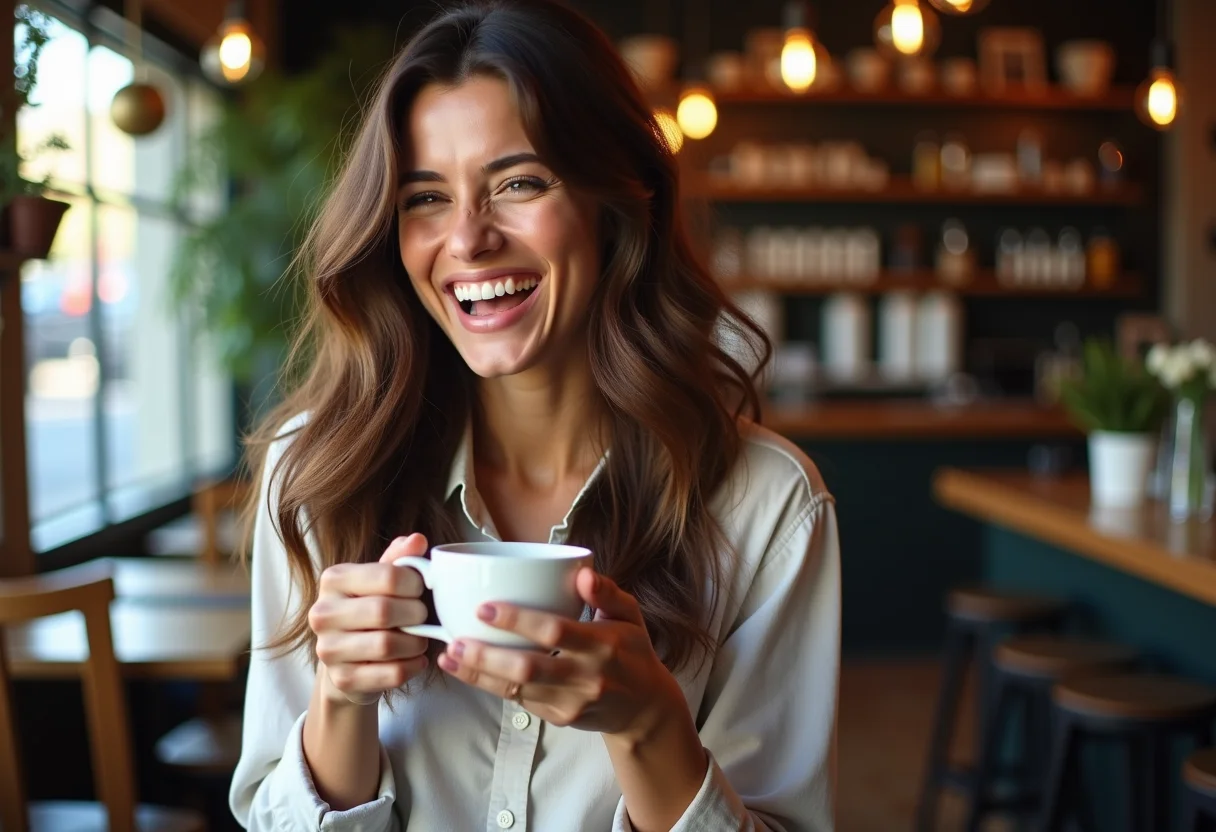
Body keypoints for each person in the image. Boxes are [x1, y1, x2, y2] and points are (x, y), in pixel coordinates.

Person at [229, 1, 840, 830]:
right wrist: (340, 699)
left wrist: (651, 726)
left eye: (518, 183)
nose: (469, 239)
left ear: (620, 204)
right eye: (426, 198)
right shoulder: (315, 474)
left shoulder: (766, 505)